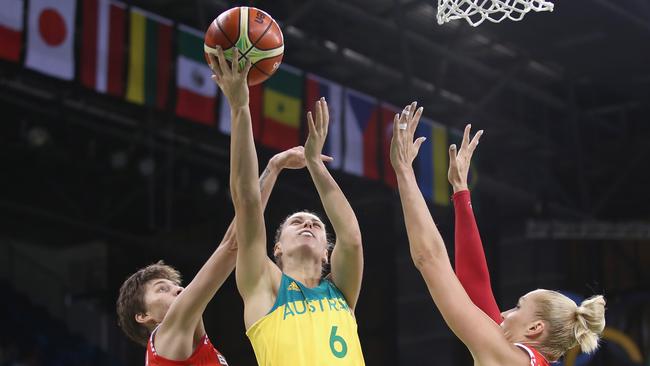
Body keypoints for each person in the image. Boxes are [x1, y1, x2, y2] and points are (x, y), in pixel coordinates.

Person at [115, 55, 322, 366]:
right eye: (162, 288)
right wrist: (240, 108)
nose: (178, 290)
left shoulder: (192, 346)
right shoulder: (168, 336)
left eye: (175, 285)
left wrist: (274, 167)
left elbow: (236, 237)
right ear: (143, 316)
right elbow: (232, 245)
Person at [390, 102, 606, 366]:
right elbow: (476, 290)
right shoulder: (524, 359)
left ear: (535, 328)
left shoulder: (508, 358)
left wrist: (404, 171)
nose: (503, 313)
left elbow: (429, 259)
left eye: (517, 307)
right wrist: (460, 192)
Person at [211, 46, 365, 365]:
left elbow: (350, 236)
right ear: (277, 248)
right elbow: (247, 203)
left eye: (315, 224)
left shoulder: (341, 293)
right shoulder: (264, 285)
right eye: (297, 223)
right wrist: (241, 108)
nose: (308, 224)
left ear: (326, 252)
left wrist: (315, 164)